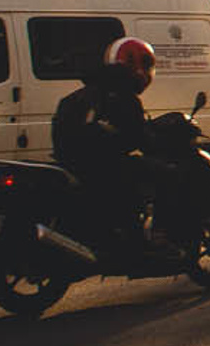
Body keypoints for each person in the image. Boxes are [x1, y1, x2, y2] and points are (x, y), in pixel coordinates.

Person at [51, 37, 165, 256]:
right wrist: (156, 147)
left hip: (71, 163)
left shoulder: (83, 94)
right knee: (158, 174)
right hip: (102, 166)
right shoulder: (123, 96)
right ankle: (145, 242)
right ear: (138, 67)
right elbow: (139, 137)